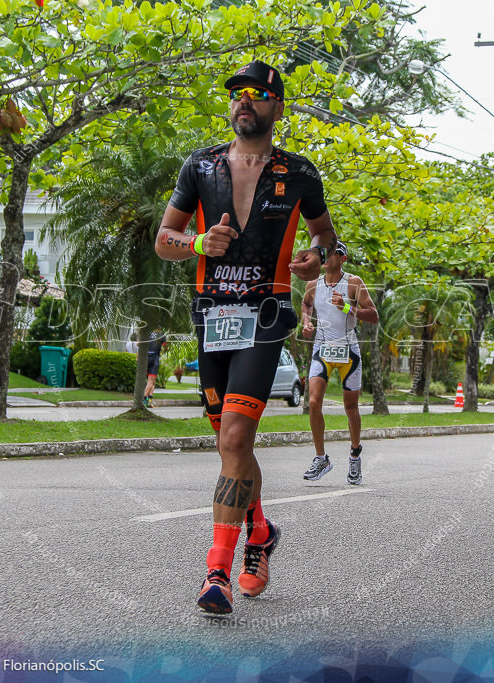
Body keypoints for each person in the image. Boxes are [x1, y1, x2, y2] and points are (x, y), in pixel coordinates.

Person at [154, 60, 336, 614]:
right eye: (235, 94)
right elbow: (164, 239)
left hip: (265, 316)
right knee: (229, 441)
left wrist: (315, 258)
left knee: (234, 439)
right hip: (212, 316)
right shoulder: (200, 165)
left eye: (256, 95)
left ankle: (217, 572)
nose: (243, 103)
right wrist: (196, 245)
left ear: (277, 106)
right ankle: (259, 531)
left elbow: (329, 244)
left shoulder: (299, 174)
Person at [300, 240, 378, 484]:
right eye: (323, 252)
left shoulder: (354, 283)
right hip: (322, 349)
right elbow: (306, 303)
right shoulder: (313, 284)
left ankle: (355, 454)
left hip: (348, 351)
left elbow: (373, 316)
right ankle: (321, 457)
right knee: (313, 402)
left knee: (350, 407)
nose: (326, 257)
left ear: (342, 258)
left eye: (332, 253)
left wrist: (347, 307)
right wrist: (306, 321)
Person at [143, 328, 167, 408]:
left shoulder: (147, 333)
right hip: (155, 359)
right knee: (150, 382)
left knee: (152, 382)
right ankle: (144, 400)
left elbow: (138, 344)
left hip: (146, 358)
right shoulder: (162, 335)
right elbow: (165, 347)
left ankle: (149, 402)